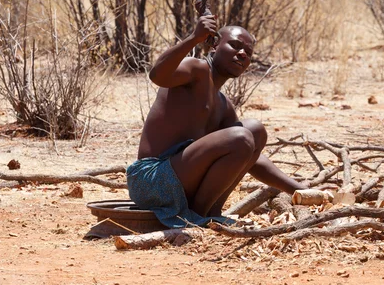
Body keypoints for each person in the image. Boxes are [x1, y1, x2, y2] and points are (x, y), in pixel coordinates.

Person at [126, 14, 306, 228]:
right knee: (242, 135)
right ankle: (197, 218)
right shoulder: (196, 70)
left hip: (181, 181)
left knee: (254, 131)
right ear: (214, 46)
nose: (242, 54)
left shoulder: (223, 105)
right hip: (151, 180)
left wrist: (298, 189)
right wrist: (194, 37)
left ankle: (208, 213)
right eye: (235, 46)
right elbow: (157, 75)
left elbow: (249, 155)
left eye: (248, 53)